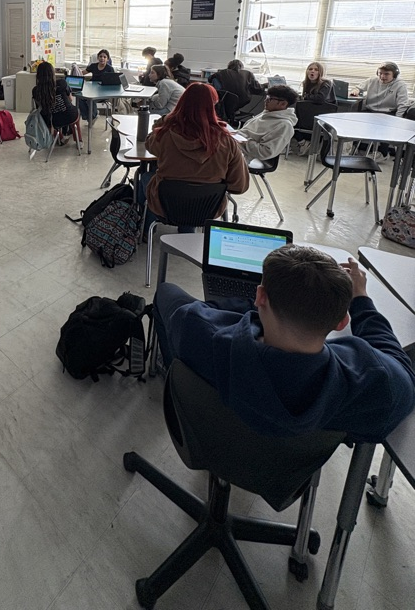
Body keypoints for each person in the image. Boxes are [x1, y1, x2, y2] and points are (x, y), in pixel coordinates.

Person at [153, 246, 415, 442]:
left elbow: (174, 301)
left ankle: (168, 379)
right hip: (285, 479)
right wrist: (361, 299)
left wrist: (247, 312)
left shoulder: (198, 330)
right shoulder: (376, 384)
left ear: (260, 296)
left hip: (202, 443)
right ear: (342, 322)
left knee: (166, 292)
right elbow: (401, 368)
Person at [141, 82, 249, 231]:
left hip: (166, 206)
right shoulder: (227, 142)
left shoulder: (165, 135)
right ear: (212, 106)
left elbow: (149, 144)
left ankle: (145, 230)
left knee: (146, 177)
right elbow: (239, 186)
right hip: (208, 209)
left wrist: (165, 121)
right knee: (193, 195)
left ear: (182, 102)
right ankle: (187, 232)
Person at [238, 85, 298, 161]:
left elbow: (265, 152)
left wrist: (242, 141)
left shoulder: (284, 125)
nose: (265, 101)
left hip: (244, 156)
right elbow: (245, 131)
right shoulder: (267, 113)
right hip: (237, 147)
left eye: (270, 99)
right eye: (267, 97)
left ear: (283, 104)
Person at [32, 61, 79, 144]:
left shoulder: (36, 90)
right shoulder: (62, 83)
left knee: (49, 116)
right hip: (69, 116)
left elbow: (39, 108)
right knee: (76, 111)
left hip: (51, 121)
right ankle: (79, 140)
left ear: (38, 75)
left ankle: (61, 138)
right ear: (52, 73)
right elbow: (70, 99)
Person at [77, 49, 116, 123]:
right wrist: (75, 71)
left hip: (103, 93)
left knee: (90, 99)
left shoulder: (110, 69)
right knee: (80, 98)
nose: (102, 58)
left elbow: (113, 81)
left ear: (107, 59)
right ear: (98, 58)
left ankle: (93, 116)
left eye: (104, 57)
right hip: (92, 90)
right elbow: (82, 73)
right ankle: (89, 117)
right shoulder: (93, 66)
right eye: (100, 56)